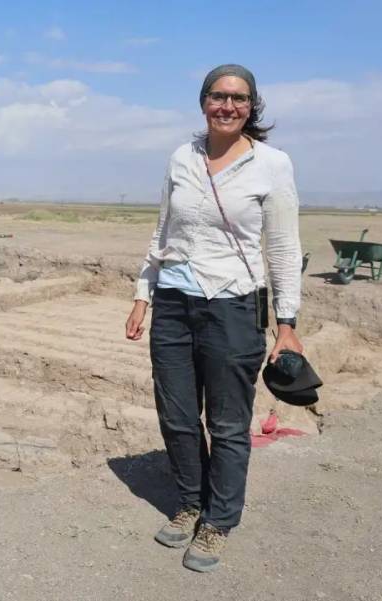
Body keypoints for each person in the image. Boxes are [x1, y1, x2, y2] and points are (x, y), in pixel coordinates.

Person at [124, 64, 303, 573]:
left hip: (234, 305)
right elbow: (162, 230)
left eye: (239, 99)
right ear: (203, 101)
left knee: (226, 423)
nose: (228, 106)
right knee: (177, 415)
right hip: (175, 302)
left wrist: (286, 321)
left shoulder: (272, 164)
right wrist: (143, 293)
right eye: (218, 97)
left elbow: (285, 248)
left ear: (252, 106)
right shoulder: (182, 157)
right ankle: (190, 501)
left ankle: (219, 521)